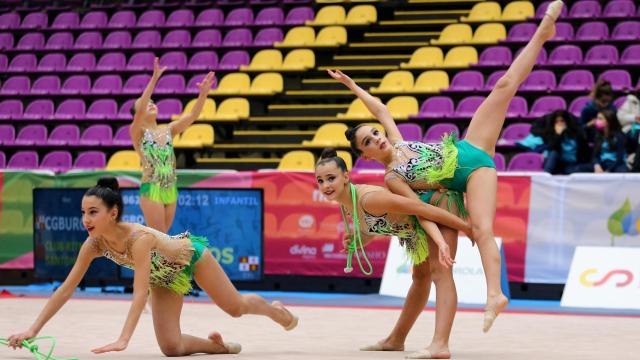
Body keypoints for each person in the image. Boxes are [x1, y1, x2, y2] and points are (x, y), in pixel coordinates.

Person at [327, 0, 565, 334]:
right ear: (363, 155)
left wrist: (352, 87)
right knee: (481, 230)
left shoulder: (398, 142)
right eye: (368, 142)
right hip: (473, 175)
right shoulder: (392, 177)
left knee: (504, 86)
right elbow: (420, 210)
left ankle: (543, 32)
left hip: (472, 147)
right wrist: (439, 241)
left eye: (375, 134)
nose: (377, 139)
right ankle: (494, 295)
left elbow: (381, 109)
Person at [7, 177, 298, 356]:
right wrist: (33, 329)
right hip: (165, 277)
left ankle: (274, 311)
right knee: (171, 348)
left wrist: (124, 339)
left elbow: (139, 294)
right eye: (83, 212)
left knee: (235, 308)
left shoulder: (139, 239)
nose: (86, 219)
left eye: (93, 212)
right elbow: (65, 290)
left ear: (113, 213)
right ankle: (218, 347)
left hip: (189, 257)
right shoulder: (93, 244)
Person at [316, 150, 467, 359]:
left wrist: (467, 228)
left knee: (441, 274)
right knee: (420, 278)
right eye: (320, 180)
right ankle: (395, 340)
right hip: (417, 229)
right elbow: (383, 223)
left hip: (437, 207)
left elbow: (419, 207)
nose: (325, 186)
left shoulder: (369, 198)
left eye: (331, 178)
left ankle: (440, 344)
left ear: (346, 176)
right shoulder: (347, 203)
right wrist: (361, 238)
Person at [131, 57, 215, 233]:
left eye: (153, 102)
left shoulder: (168, 129)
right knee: (159, 237)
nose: (151, 104)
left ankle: (149, 259)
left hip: (170, 187)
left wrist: (204, 93)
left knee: (164, 238)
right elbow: (140, 110)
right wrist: (154, 79)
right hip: (152, 187)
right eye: (146, 104)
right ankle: (143, 260)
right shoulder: (137, 132)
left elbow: (192, 114)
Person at [541, 110, 592, 174]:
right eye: (556, 122)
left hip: (572, 164)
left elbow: (585, 150)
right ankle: (545, 176)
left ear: (567, 121)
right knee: (554, 152)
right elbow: (551, 148)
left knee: (573, 170)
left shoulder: (577, 132)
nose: (559, 123)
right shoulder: (551, 133)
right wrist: (558, 135)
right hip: (558, 164)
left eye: (562, 121)